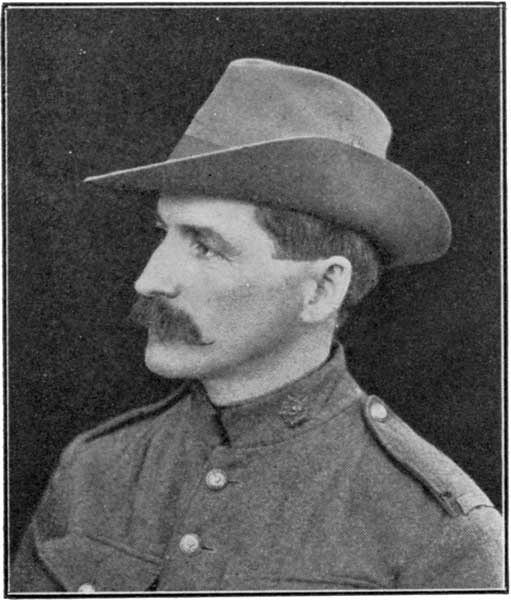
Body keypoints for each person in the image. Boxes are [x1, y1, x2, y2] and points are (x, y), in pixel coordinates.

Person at [12, 58, 503, 592]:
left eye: (205, 246)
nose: (149, 280)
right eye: (163, 233)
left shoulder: (437, 533)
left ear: (322, 288)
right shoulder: (95, 469)